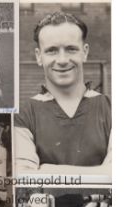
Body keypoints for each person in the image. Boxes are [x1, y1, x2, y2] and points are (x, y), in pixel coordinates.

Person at [14, 12, 111, 173]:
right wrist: (100, 172)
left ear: (84, 52)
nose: (62, 60)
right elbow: (25, 178)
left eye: (71, 49)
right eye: (51, 50)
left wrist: (47, 170)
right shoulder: (23, 114)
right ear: (39, 56)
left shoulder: (110, 108)